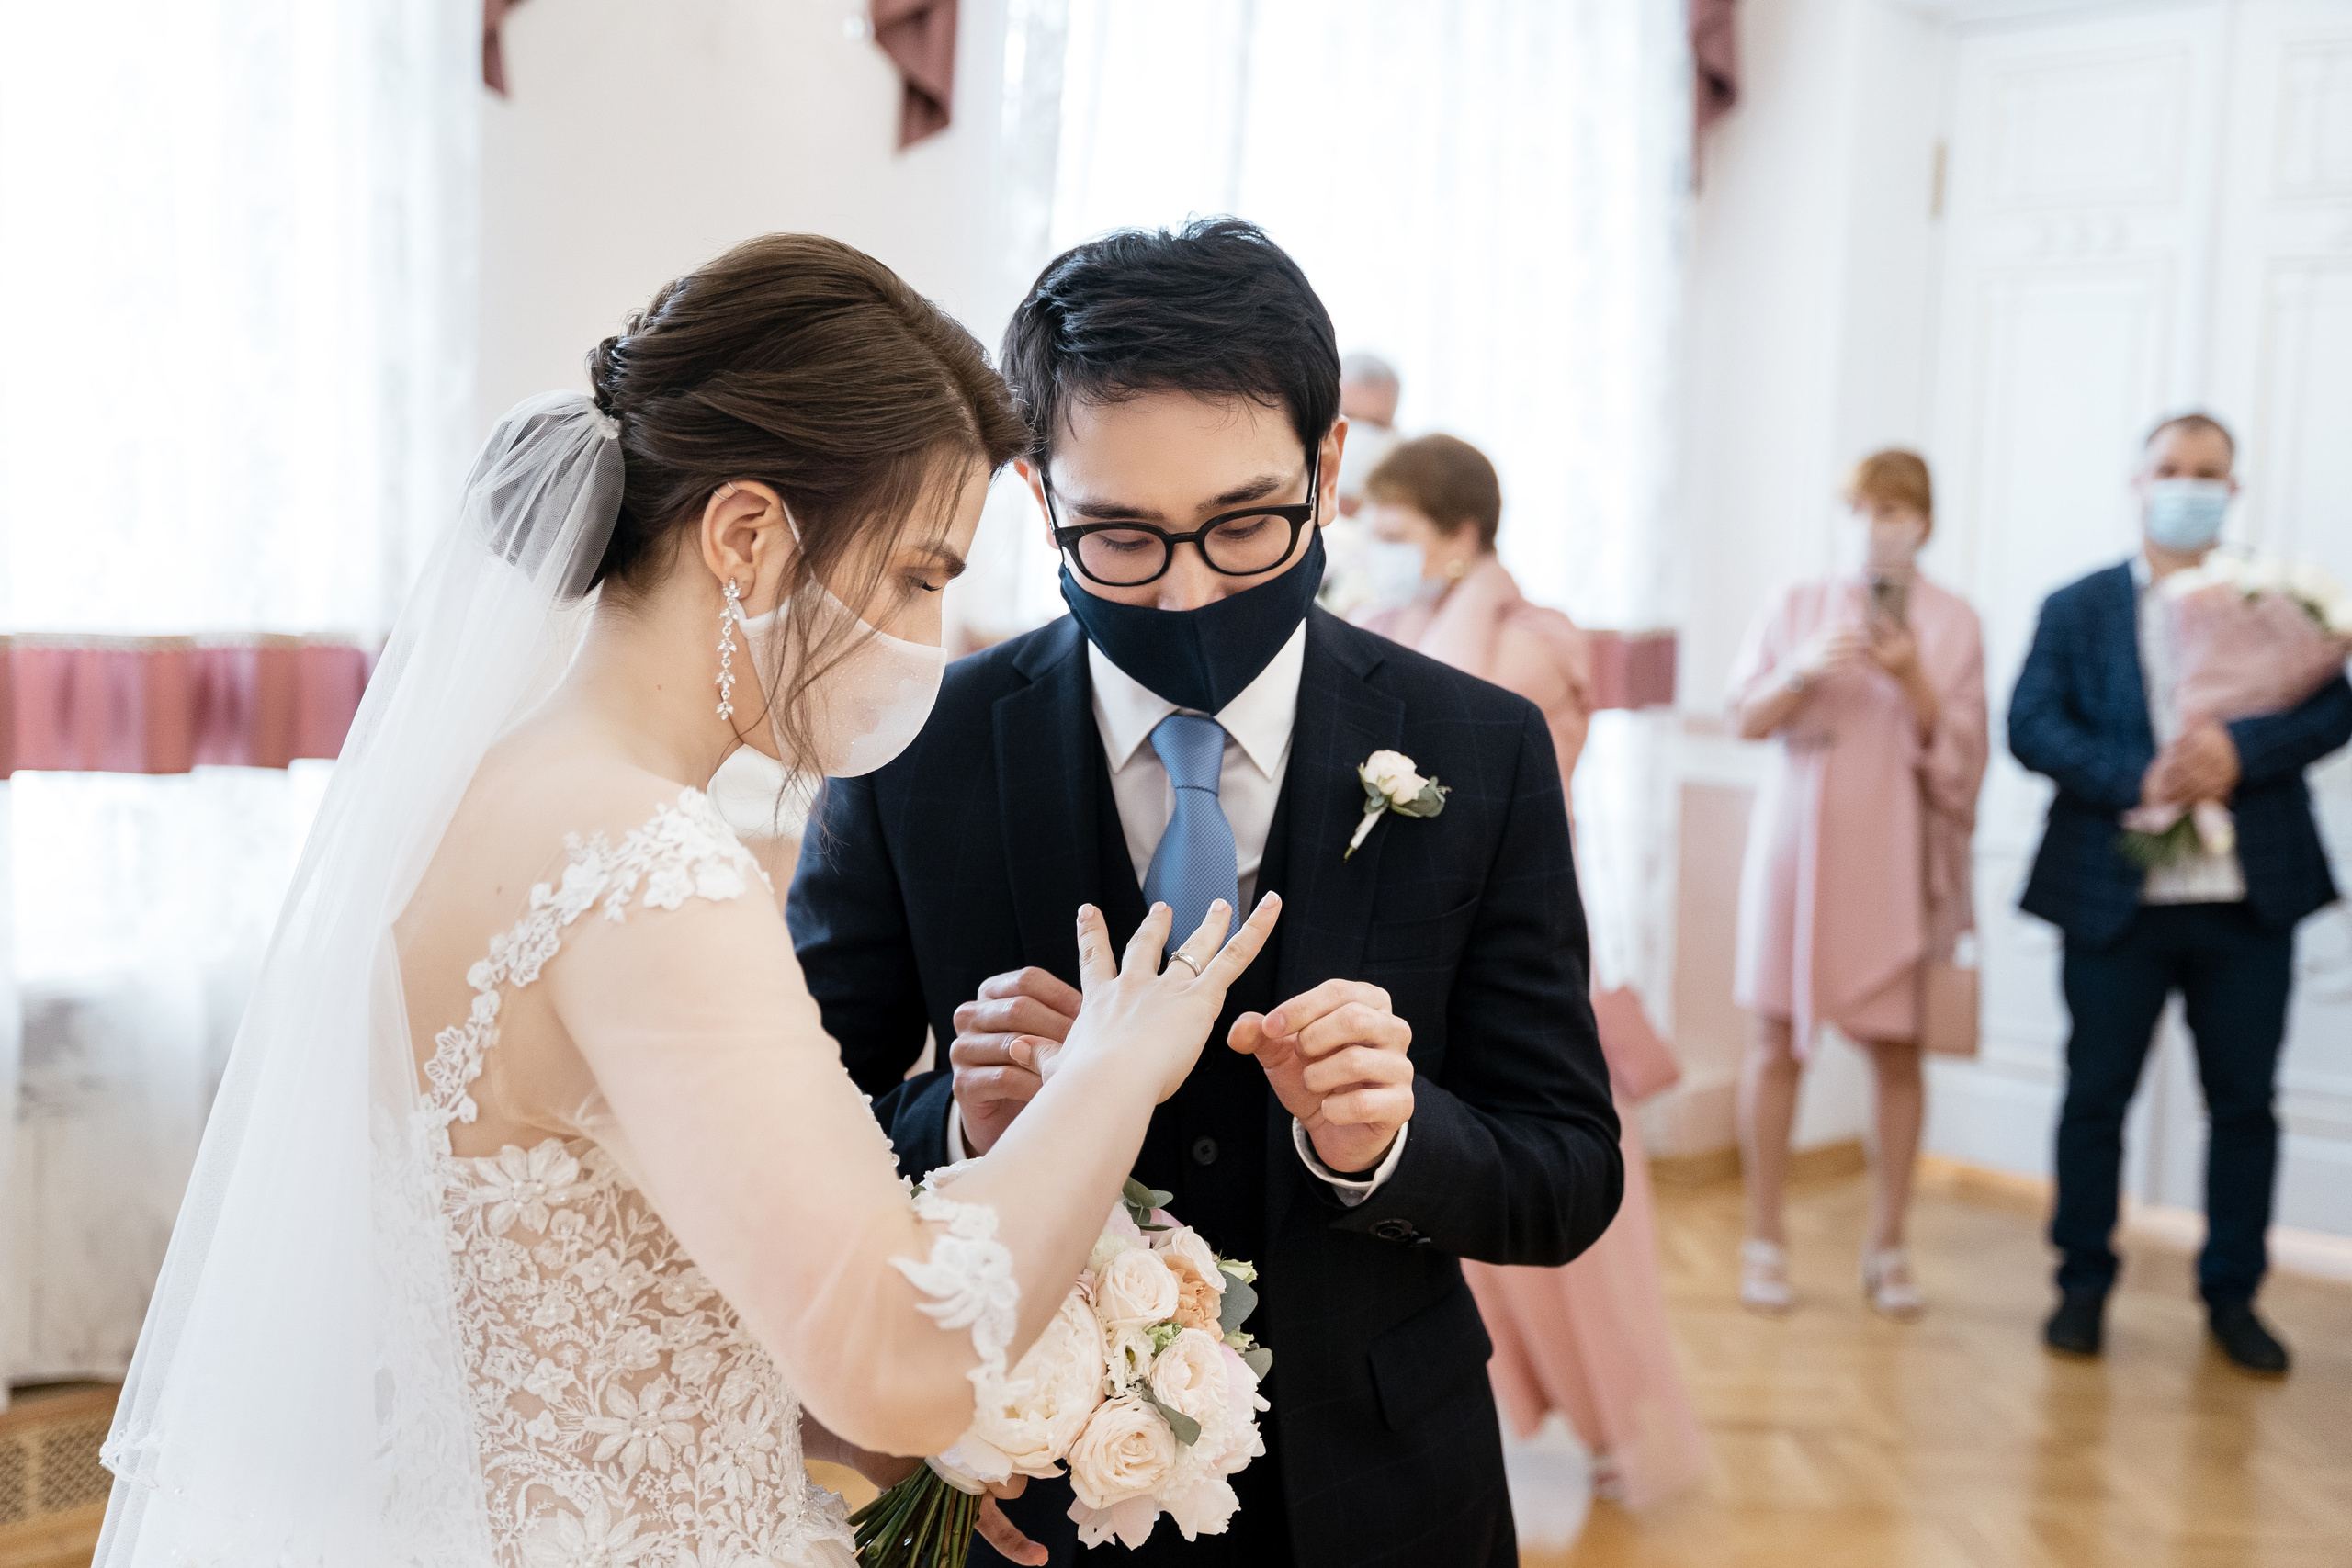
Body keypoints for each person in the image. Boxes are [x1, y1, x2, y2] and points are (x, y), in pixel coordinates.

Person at [95, 234, 1286, 1568]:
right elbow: (894, 1358)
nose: (931, 635)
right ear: (747, 534)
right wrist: (1113, 1072)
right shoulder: (646, 865)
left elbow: (570, 1310)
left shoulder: (465, 800)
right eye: (917, 574)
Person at [788, 220, 1623, 1568]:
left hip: (1388, 1484)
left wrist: (1388, 1142)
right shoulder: (911, 748)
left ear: (1330, 466)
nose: (1187, 591)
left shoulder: (1481, 746)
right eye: (1120, 534)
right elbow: (796, 1131)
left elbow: (1569, 1170)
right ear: (1037, 492)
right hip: (1029, 1490)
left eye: (1244, 524)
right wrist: (965, 1122)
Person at [1353, 434, 1706, 1509]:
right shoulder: (1390, 627)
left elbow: (1497, 808)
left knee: (1549, 1210)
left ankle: (1607, 1424)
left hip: (1505, 956)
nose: (1379, 551)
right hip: (1407, 967)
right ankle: (1479, 1409)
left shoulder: (1532, 643)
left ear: (1460, 535)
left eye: (1399, 530)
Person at [2010, 412, 2352, 1374]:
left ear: (2233, 491)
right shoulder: (2075, 606)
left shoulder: (2278, 601)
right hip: (2111, 899)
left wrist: (2237, 752)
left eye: (2208, 472)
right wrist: (2145, 775)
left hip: (2249, 901)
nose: (2188, 485)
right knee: (2093, 1101)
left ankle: (2232, 1294)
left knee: (2244, 1106)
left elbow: (2335, 706)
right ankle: (2080, 1285)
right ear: (2136, 481)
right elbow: (2031, 724)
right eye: (2170, 468)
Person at [1727, 449, 1988, 1319]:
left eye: (1899, 508)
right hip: (1796, 850)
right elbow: (1743, 718)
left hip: (1895, 855)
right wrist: (1801, 668)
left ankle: (1889, 1242)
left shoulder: (1956, 622)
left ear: (1926, 519)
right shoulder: (1797, 602)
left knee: (1898, 1051)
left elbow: (1963, 760)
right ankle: (1764, 1232)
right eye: (1868, 506)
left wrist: (1912, 675)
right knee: (1774, 1041)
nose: (1882, 523)